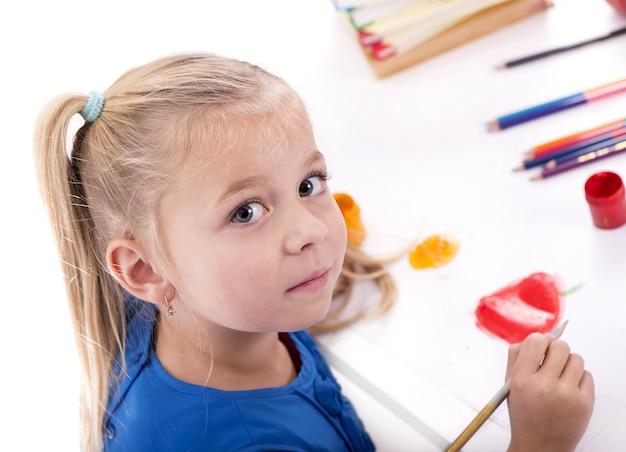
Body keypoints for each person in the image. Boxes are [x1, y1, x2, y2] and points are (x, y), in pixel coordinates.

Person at [33, 52, 593, 452]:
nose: (311, 231)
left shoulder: (198, 311)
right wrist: (538, 443)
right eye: (246, 211)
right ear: (145, 269)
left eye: (308, 183)